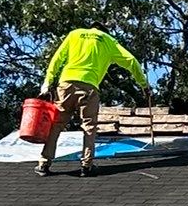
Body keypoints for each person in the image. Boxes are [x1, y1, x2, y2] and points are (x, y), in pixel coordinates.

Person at [35, 26, 151, 176]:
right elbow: (131, 61)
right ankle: (86, 165)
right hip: (89, 88)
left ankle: (44, 164)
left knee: (56, 124)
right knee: (89, 127)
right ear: (103, 31)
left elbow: (56, 59)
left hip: (66, 84)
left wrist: (47, 83)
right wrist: (144, 85)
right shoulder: (108, 40)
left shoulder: (74, 34)